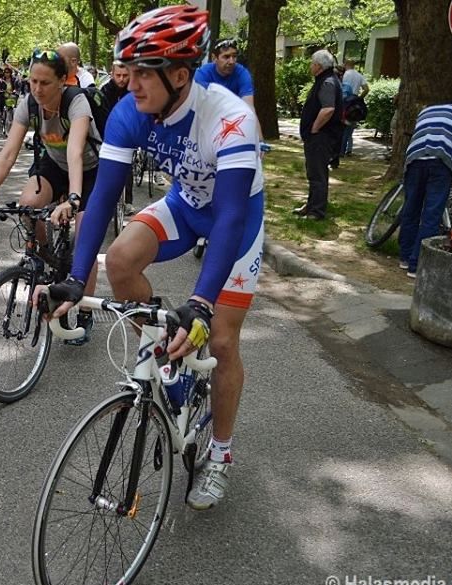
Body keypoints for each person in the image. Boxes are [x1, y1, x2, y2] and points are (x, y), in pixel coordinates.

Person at [46, 5, 264, 510]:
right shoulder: (130, 111)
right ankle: (167, 354)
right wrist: (76, 277)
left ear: (180, 75)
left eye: (145, 72)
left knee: (222, 341)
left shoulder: (231, 119)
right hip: (184, 206)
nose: (132, 82)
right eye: (130, 70)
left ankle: (220, 454)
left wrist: (202, 304)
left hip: (235, 223)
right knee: (119, 261)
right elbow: (103, 197)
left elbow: (231, 217)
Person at [0, 49, 102, 345]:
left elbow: (75, 152)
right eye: (33, 81)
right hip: (54, 166)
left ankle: (85, 311)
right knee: (27, 205)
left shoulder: (76, 102)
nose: (37, 89)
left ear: (62, 81)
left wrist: (73, 199)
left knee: (85, 238)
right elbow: (8, 153)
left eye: (45, 83)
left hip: (90, 170)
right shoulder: (29, 103)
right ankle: (45, 254)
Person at [398, 103, 452, 278]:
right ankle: (417, 264)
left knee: (410, 209)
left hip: (415, 157)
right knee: (431, 214)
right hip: (441, 159)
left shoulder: (426, 111)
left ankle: (405, 257)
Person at [293, 49, 342, 221]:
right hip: (319, 137)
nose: (310, 66)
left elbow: (328, 109)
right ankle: (311, 205)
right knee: (313, 173)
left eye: (312, 63)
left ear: (319, 66)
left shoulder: (327, 82)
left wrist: (314, 128)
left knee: (318, 175)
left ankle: (317, 211)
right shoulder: (325, 80)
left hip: (321, 137)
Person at [193, 38, 263, 143]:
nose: (231, 61)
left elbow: (249, 108)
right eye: (226, 57)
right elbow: (196, 107)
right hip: (207, 119)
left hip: (233, 120)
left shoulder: (242, 74)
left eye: (234, 56)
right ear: (214, 58)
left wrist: (259, 140)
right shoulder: (202, 74)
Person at [100, 60, 134, 216]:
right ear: (112, 74)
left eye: (125, 75)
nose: (121, 79)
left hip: (130, 130)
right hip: (109, 130)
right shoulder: (105, 90)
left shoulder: (135, 89)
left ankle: (128, 201)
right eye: (118, 75)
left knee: (127, 165)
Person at [340, 59, 369, 157]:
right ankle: (349, 149)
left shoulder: (345, 75)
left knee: (342, 127)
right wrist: (359, 98)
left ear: (346, 64)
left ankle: (341, 150)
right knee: (350, 127)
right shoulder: (359, 75)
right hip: (354, 103)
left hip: (345, 101)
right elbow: (366, 89)